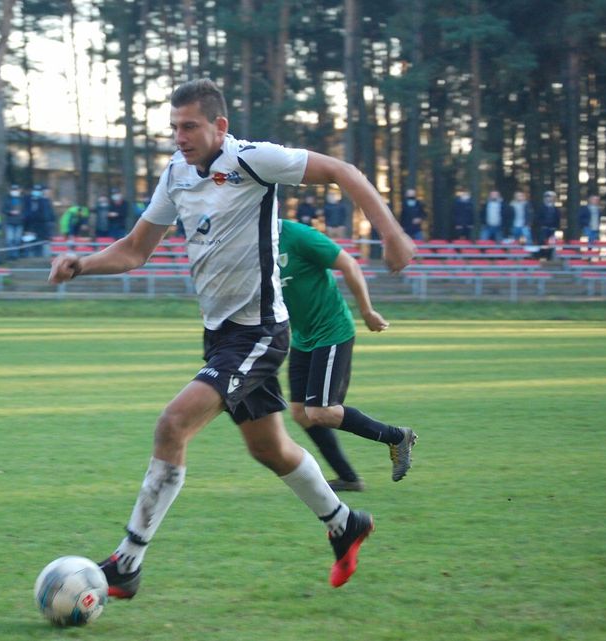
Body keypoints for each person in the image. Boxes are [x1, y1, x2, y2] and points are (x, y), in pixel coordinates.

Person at [48, 79, 414, 597]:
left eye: (190, 126)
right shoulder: (176, 174)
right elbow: (134, 250)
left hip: (260, 332)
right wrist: (81, 265)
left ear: (219, 126)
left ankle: (126, 563)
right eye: (174, 127)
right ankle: (344, 523)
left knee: (172, 424)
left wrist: (392, 233)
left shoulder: (253, 160)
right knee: (270, 449)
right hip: (220, 336)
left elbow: (342, 171)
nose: (180, 136)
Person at [278, 218, 416, 492]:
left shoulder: (298, 236)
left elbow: (349, 264)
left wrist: (367, 312)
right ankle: (349, 478)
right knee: (301, 413)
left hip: (332, 330)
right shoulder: (251, 243)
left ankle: (397, 436)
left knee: (321, 411)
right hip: (303, 337)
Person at [23, 185, 55, 257]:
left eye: (38, 191)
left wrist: (50, 221)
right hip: (31, 224)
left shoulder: (44, 201)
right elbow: (26, 213)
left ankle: (43, 256)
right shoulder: (28, 200)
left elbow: (48, 213)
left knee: (43, 240)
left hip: (43, 224)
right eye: (35, 190)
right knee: (31, 241)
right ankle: (30, 256)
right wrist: (27, 227)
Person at [2, 185, 26, 258]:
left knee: (17, 240)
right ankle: (10, 255)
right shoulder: (7, 199)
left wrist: (22, 216)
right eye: (13, 189)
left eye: (16, 189)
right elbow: (3, 209)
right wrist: (10, 212)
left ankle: (16, 255)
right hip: (10, 222)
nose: (15, 191)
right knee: (10, 240)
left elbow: (25, 211)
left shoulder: (22, 199)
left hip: (19, 222)